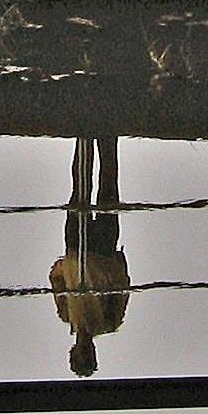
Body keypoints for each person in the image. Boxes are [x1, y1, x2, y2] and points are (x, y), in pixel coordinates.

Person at [49, 137, 128, 377]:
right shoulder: (110, 322)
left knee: (78, 190)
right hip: (104, 251)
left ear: (73, 351)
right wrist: (113, 267)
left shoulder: (65, 314)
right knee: (108, 189)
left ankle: (83, 139)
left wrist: (65, 265)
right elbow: (124, 288)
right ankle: (107, 136)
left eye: (81, 355)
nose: (85, 350)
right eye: (88, 355)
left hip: (75, 250)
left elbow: (56, 282)